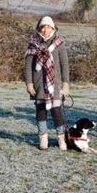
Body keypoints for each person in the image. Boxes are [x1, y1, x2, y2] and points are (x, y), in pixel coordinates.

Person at [24, 15, 70, 151]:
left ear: (53, 28)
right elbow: (28, 66)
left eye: (48, 27)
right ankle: (43, 139)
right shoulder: (33, 43)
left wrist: (66, 83)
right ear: (39, 28)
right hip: (39, 84)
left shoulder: (59, 43)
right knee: (41, 112)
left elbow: (64, 64)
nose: (45, 30)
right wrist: (29, 83)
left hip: (54, 84)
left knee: (57, 112)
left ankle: (61, 139)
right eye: (43, 27)